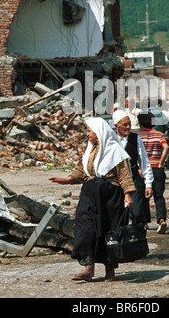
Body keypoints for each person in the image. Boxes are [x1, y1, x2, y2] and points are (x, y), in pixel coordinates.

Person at [48, 117, 136, 282]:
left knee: (109, 232)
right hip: (89, 195)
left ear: (99, 132)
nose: (86, 134)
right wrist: (67, 179)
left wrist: (128, 195)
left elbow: (125, 175)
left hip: (110, 198)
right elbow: (81, 171)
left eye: (89, 131)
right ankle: (88, 269)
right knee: (85, 229)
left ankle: (110, 271)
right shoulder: (89, 149)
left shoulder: (115, 151)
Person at [112, 109, 154, 226]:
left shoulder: (136, 139)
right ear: (116, 126)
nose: (128, 127)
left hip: (134, 178)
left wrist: (148, 184)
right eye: (125, 124)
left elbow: (144, 161)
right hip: (116, 181)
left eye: (129, 124)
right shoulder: (111, 140)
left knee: (138, 212)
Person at [137, 112, 169, 234]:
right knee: (159, 196)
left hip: (143, 170)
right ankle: (161, 220)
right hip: (157, 168)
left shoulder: (138, 136)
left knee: (143, 196)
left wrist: (138, 166)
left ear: (140, 123)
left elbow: (135, 152)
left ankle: (144, 222)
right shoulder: (159, 134)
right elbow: (166, 147)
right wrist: (161, 161)